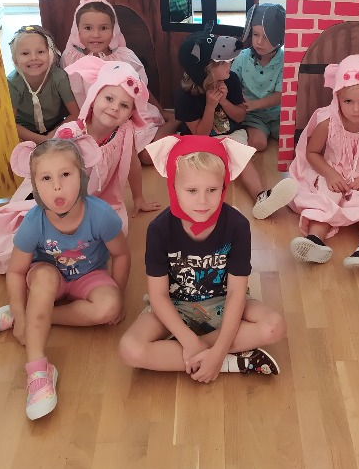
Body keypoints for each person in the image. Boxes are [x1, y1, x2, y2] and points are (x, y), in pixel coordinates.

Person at [0, 60, 159, 269]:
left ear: (131, 113)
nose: (115, 108)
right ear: (94, 97)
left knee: (113, 236)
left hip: (94, 202)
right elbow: (46, 170)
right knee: (19, 240)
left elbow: (132, 163)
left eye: (124, 105)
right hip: (51, 195)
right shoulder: (72, 134)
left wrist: (138, 197)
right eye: (109, 98)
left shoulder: (125, 131)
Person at [0, 139, 130, 420]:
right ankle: (38, 372)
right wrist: (21, 316)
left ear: (82, 175)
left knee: (109, 308)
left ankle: (37, 316)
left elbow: (122, 255)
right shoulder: (33, 223)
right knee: (43, 279)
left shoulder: (101, 214)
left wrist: (120, 295)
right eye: (46, 178)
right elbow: (16, 271)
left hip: (90, 275)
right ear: (35, 185)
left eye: (65, 174)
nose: (57, 187)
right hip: (49, 275)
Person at [118, 135, 285, 380]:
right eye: (191, 190)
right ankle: (231, 361)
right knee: (129, 349)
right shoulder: (159, 229)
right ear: (173, 187)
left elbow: (236, 293)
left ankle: (202, 357)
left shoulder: (237, 225)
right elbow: (158, 296)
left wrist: (216, 350)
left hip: (223, 303)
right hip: (175, 305)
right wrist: (189, 341)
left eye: (212, 190)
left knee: (274, 326)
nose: (202, 201)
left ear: (224, 187)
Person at [175, 24, 297, 220]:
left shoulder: (230, 80)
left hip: (232, 134)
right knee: (204, 172)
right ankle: (208, 211)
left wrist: (224, 101)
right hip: (201, 142)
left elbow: (240, 117)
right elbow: (200, 135)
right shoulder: (185, 96)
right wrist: (210, 106)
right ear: (206, 70)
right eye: (223, 62)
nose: (230, 62)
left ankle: (261, 197)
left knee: (241, 157)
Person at [287, 54, 359, 268]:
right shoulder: (327, 121)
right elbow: (312, 153)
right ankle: (315, 240)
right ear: (337, 97)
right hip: (331, 169)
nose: (356, 109)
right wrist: (330, 174)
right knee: (324, 198)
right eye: (348, 101)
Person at [60, 0, 179, 158]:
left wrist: (162, 112)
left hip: (127, 117)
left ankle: (175, 121)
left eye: (103, 28)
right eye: (88, 28)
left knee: (146, 156)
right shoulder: (70, 58)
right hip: (94, 123)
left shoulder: (124, 56)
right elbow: (69, 95)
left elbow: (140, 89)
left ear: (113, 30)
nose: (96, 34)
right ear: (77, 30)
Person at [7, 25, 79, 144]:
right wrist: (41, 140)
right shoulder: (12, 83)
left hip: (55, 128)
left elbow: (75, 113)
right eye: (25, 53)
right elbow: (9, 122)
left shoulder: (59, 78)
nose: (33, 58)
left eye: (40, 52)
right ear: (15, 61)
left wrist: (52, 136)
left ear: (50, 54)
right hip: (24, 131)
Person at [232, 3, 286, 151]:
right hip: (252, 116)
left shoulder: (285, 61)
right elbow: (232, 84)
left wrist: (255, 104)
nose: (259, 42)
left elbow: (281, 95)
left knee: (293, 140)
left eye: (267, 37)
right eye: (255, 34)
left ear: (279, 38)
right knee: (258, 143)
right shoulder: (242, 58)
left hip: (278, 114)